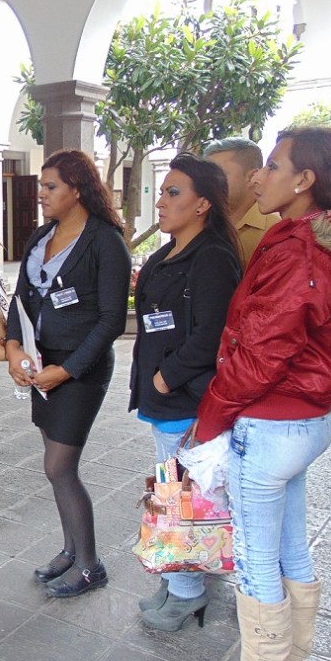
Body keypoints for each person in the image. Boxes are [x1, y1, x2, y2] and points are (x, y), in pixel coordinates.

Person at [187, 126, 331, 661]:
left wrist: (210, 421)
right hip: (304, 422)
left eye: (275, 165)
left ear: (304, 181)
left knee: (257, 559)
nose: (262, 175)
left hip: (272, 422)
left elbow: (262, 354)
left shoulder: (298, 250)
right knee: (288, 552)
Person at [6, 150, 131, 597]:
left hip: (80, 368)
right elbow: (20, 299)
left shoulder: (105, 242)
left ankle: (91, 564)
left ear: (77, 189)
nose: (41, 195)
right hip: (42, 363)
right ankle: (70, 549)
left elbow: (112, 320)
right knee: (54, 465)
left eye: (50, 187)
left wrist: (69, 369)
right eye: (42, 187)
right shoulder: (42, 236)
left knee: (60, 466)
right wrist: (14, 346)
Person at [128, 153, 241, 630]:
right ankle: (174, 579)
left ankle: (188, 591)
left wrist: (166, 375)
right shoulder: (168, 249)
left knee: (185, 498)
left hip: (185, 395)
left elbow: (211, 335)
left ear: (203, 205)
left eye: (174, 192)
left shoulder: (212, 257)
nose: (161, 200)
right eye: (162, 190)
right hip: (162, 395)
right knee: (172, 492)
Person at [204, 138, 279, 270]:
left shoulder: (275, 231)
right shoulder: (198, 223)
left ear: (252, 177)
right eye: (206, 175)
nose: (207, 182)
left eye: (217, 174)